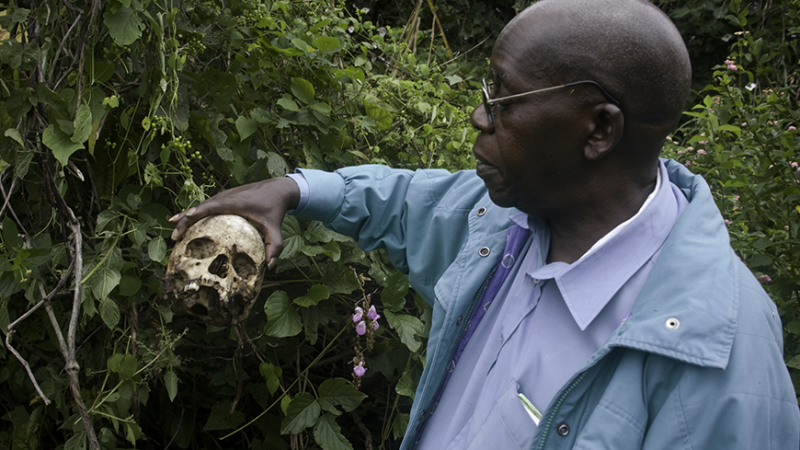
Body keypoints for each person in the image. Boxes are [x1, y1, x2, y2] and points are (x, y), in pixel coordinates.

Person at [170, 0, 800, 448]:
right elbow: (407, 201)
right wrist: (296, 189)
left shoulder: (720, 365)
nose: (478, 116)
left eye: (502, 96)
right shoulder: (508, 222)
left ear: (599, 129)